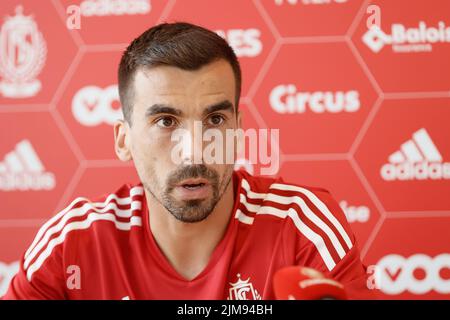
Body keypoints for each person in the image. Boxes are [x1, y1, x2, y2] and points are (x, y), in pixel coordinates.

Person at [2, 22, 374, 300]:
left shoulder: (302, 227)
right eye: (166, 121)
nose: (194, 151)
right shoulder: (72, 246)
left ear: (238, 131)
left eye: (215, 120)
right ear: (123, 139)